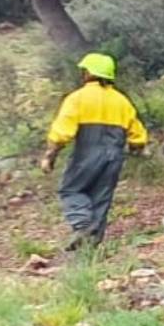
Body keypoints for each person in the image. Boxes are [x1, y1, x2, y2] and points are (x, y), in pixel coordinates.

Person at [40, 52, 148, 251]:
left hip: (86, 152)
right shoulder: (121, 101)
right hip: (114, 156)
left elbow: (62, 133)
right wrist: (136, 149)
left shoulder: (78, 98)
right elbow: (138, 136)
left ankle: (82, 226)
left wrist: (50, 156)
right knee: (101, 198)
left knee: (71, 189)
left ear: (89, 73)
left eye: (84, 71)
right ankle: (90, 249)